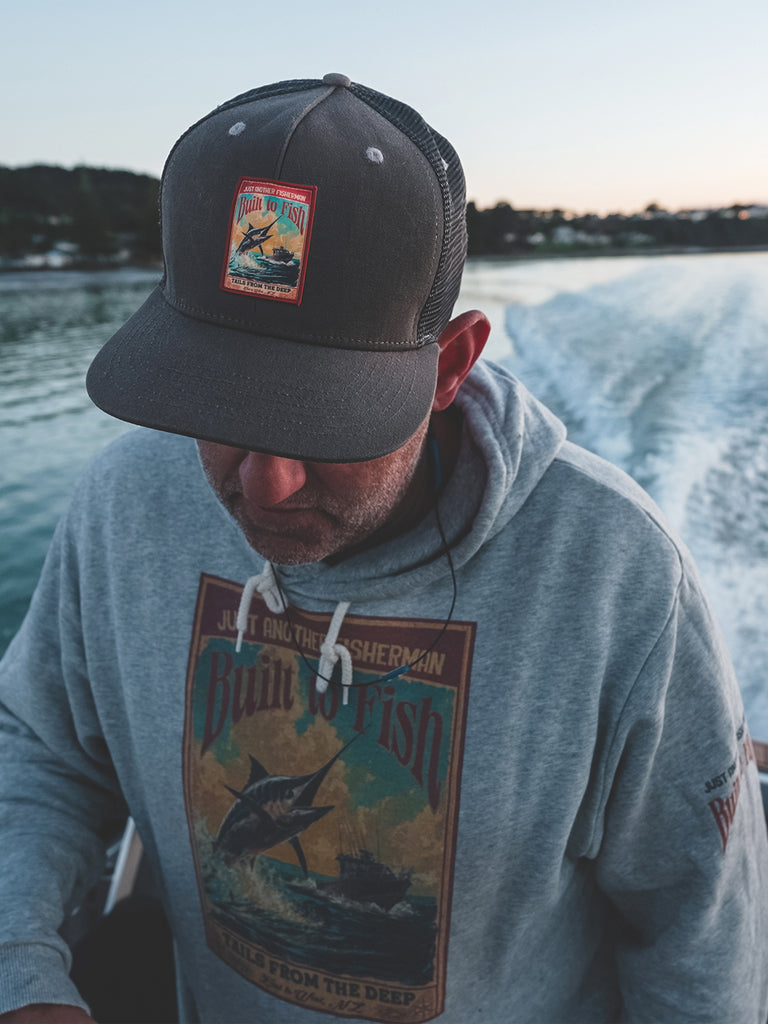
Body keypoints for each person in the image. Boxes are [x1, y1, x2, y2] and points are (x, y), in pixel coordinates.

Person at [0, 73, 767, 1024]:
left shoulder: (618, 577)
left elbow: (701, 935)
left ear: (451, 366)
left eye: (323, 422)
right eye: (219, 408)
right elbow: (39, 751)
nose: (264, 485)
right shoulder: (121, 506)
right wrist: (21, 978)